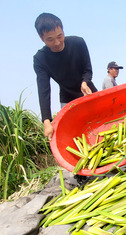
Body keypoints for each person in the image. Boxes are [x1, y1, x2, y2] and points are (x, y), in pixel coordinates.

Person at [33, 13, 98, 141]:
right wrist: (46, 121)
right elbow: (44, 90)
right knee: (76, 136)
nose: (57, 42)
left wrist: (85, 82)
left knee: (99, 126)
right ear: (41, 38)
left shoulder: (78, 43)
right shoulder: (40, 59)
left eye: (60, 36)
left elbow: (87, 69)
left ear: (63, 30)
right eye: (50, 39)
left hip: (88, 92)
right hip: (67, 99)